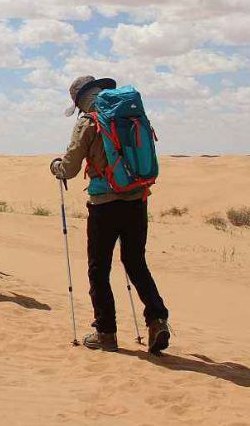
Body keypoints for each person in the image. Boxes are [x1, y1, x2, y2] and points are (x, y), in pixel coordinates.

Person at [50, 75, 171, 354]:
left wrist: (55, 166)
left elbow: (68, 168)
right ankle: (157, 318)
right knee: (135, 262)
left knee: (99, 268)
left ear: (79, 101)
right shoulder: (129, 115)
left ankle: (106, 333)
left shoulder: (88, 121)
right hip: (137, 199)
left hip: (104, 204)